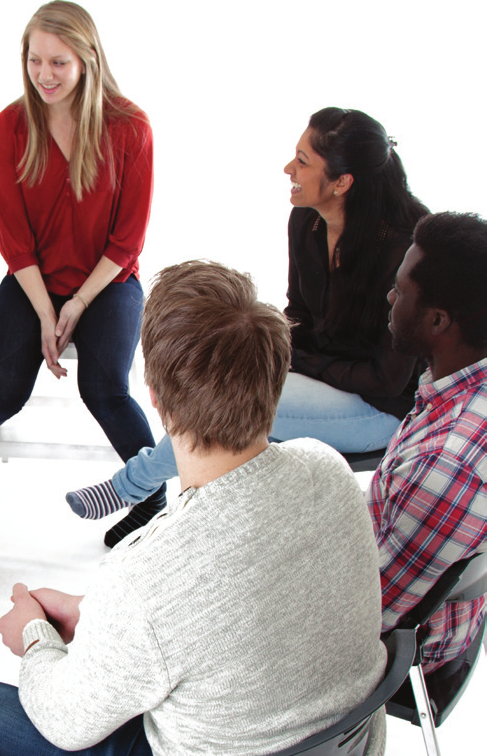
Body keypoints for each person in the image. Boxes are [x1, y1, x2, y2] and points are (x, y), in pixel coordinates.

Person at [0, 260, 387, 756]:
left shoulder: (148, 571)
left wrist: (34, 637)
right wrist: (96, 618)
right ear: (277, 379)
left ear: (157, 402)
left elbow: (65, 720)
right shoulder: (328, 471)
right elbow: (220, 614)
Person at [66, 107, 429, 528]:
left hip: (379, 409)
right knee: (225, 383)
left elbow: (386, 379)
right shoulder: (307, 222)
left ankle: (136, 487)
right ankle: (170, 511)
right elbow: (299, 315)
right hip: (321, 380)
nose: (288, 168)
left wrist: (293, 360)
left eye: (304, 162)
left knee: (236, 406)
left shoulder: (402, 248)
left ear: (342, 183)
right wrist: (275, 354)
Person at [0, 0, 159, 548]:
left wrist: (78, 304)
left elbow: (127, 240)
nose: (44, 75)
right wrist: (46, 308)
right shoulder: (8, 128)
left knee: (105, 388)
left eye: (58, 62)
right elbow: (13, 239)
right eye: (35, 60)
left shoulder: (130, 127)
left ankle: (153, 498)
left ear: (88, 59)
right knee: (3, 393)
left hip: (108, 281)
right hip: (32, 279)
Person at [371, 211, 487, 671]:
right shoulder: (457, 386)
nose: (390, 296)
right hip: (402, 582)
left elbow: (363, 618)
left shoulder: (448, 465)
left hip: (399, 649)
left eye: (401, 290)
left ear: (438, 321)